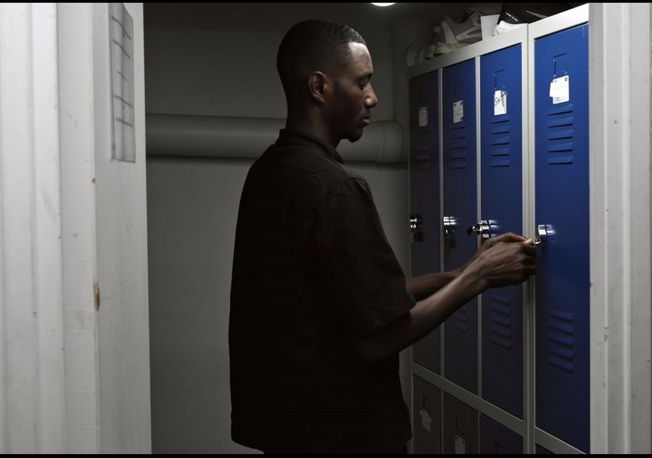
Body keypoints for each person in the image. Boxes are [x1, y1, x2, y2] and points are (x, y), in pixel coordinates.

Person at [229, 19, 537, 454]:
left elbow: (348, 300)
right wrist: (478, 279)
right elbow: (377, 337)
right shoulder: (335, 188)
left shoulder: (271, 172)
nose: (373, 98)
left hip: (288, 430)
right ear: (319, 86)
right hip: (342, 434)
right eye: (363, 83)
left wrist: (458, 272)